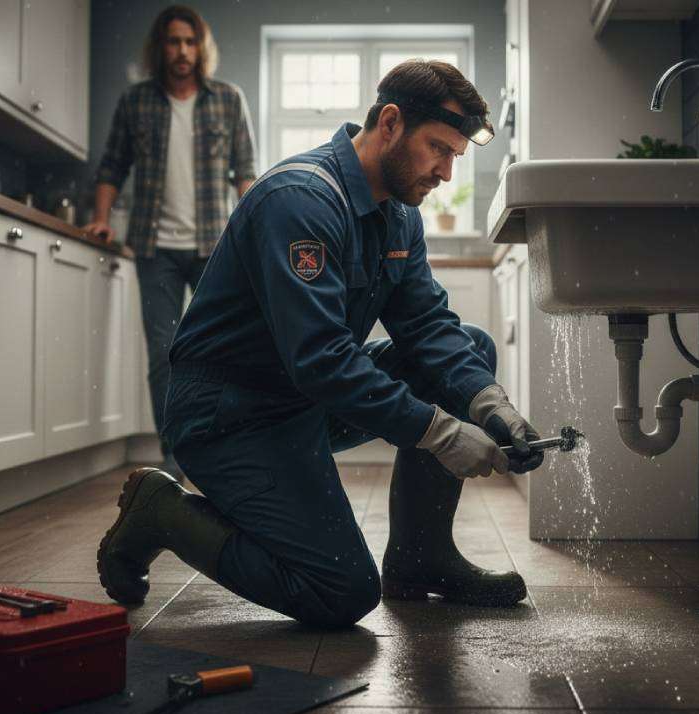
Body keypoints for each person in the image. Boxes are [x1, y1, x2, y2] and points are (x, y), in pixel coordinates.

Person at [97, 59, 544, 629]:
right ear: (390, 122)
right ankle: (162, 513)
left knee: (471, 349)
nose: (446, 172)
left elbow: (428, 325)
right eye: (439, 149)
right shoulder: (301, 201)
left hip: (299, 401)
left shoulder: (398, 214)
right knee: (341, 592)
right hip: (229, 417)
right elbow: (322, 360)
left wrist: (489, 404)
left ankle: (420, 561)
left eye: (455, 155)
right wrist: (441, 431)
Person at [84, 5, 256, 476]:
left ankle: (214, 449)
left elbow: (246, 172)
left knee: (214, 352)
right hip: (154, 248)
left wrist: (253, 230)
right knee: (164, 354)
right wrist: (101, 218)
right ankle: (174, 456)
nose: (181, 51)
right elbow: (112, 166)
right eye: (172, 42)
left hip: (213, 247)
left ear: (201, 48)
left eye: (189, 42)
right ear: (160, 48)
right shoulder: (136, 101)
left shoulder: (228, 99)